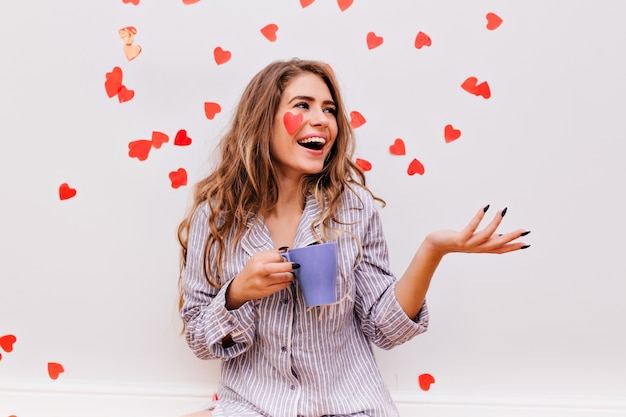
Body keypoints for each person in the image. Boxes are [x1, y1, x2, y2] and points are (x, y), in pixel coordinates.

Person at [176, 58, 530, 417]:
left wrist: (433, 250)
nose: (322, 119)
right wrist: (238, 293)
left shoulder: (353, 209)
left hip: (350, 407)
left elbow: (385, 328)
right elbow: (199, 340)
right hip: (254, 406)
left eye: (329, 109)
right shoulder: (217, 216)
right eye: (303, 105)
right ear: (263, 120)